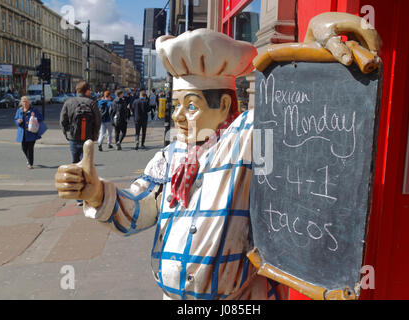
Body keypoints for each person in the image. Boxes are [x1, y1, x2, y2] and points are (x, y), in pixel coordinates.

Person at [55, 15, 379, 300]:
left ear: (223, 107)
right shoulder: (170, 158)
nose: (179, 116)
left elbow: (293, 111)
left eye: (191, 105)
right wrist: (95, 191)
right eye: (177, 104)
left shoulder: (249, 137)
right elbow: (138, 210)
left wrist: (312, 45)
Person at [60, 81, 101, 164]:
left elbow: (63, 121)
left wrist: (67, 134)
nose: (90, 92)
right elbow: (98, 121)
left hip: (73, 136)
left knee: (75, 162)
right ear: (86, 91)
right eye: (89, 90)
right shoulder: (91, 103)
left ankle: (76, 177)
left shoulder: (69, 102)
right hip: (88, 137)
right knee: (86, 163)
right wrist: (95, 135)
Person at [14, 96, 47, 169]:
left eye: (26, 101)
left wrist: (34, 116)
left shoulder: (34, 110)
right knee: (24, 148)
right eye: (23, 101)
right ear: (21, 103)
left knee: (30, 148)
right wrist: (18, 121)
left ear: (29, 102)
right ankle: (29, 159)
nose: (25, 103)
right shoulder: (19, 110)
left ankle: (30, 164)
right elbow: (15, 119)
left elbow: (41, 118)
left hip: (31, 132)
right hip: (22, 133)